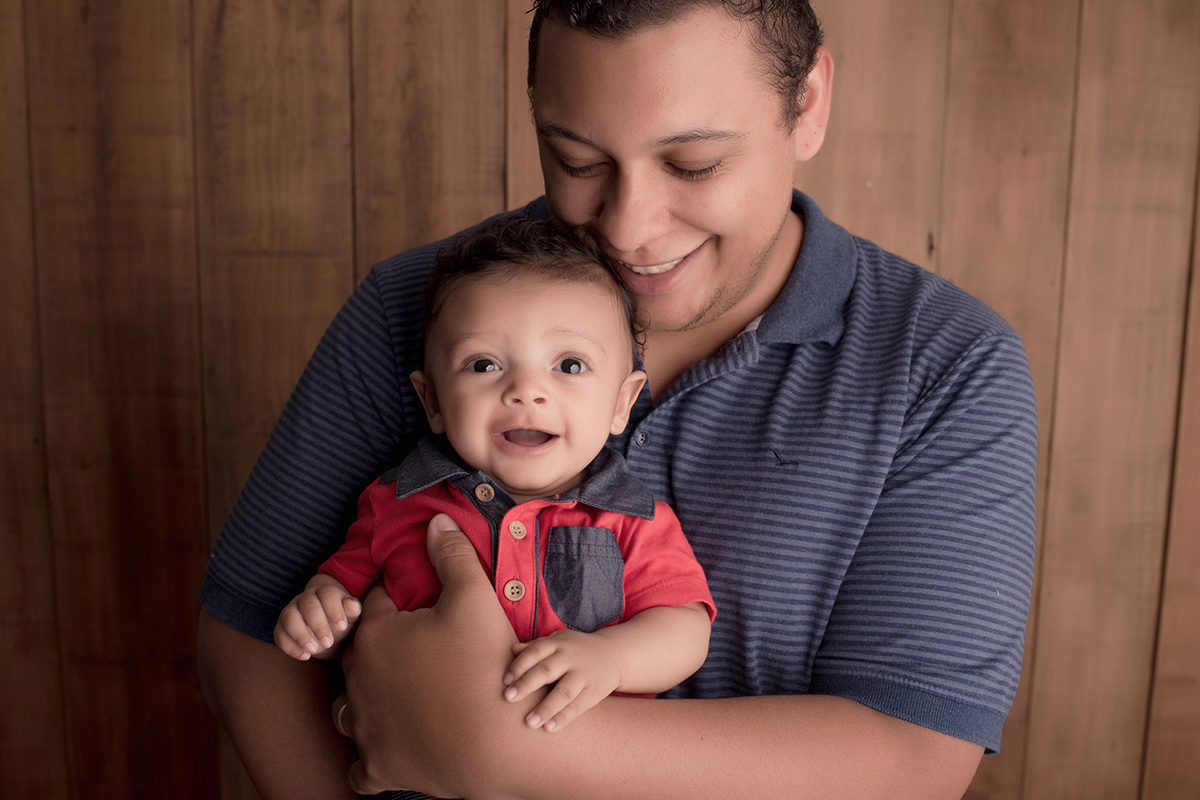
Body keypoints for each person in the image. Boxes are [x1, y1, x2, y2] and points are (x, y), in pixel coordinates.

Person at [197, 1, 1038, 798]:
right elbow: (249, 632)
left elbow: (912, 759)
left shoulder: (945, 366)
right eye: (578, 161)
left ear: (807, 103)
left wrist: (489, 745)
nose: (630, 229)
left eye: (693, 163)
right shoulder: (418, 309)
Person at [272, 217, 715, 734]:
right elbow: (338, 600)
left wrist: (610, 657)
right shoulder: (395, 503)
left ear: (622, 404)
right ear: (433, 401)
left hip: (590, 773)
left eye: (569, 366)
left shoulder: (632, 520)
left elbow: (685, 629)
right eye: (483, 365)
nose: (526, 390)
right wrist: (319, 617)